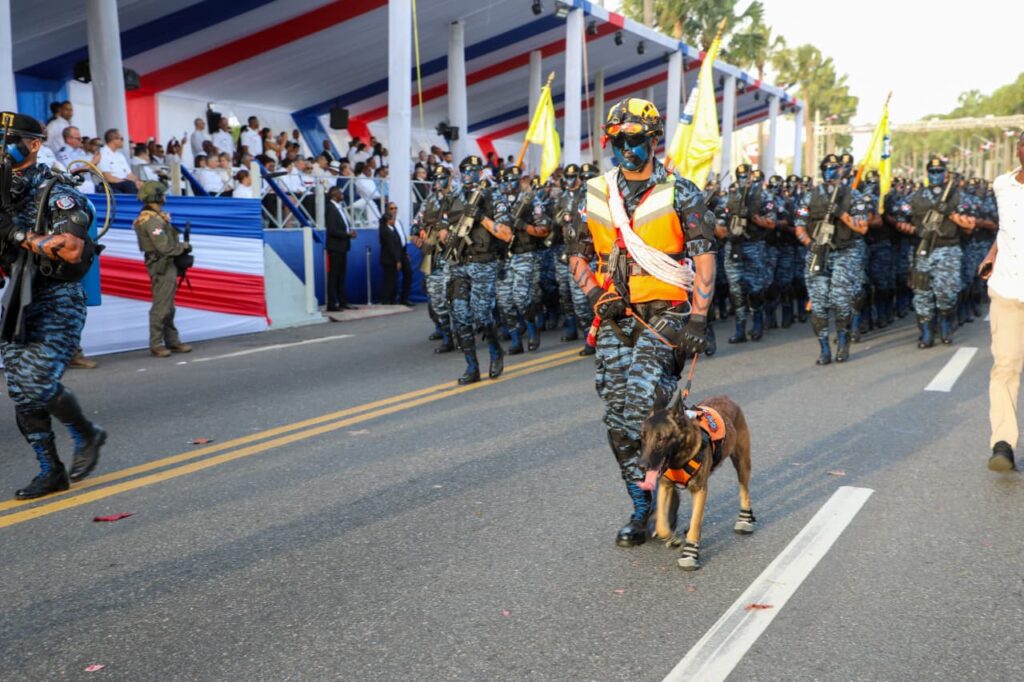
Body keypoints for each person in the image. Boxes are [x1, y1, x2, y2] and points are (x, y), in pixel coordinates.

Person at [569, 98, 717, 547]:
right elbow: (576, 255)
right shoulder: (594, 192)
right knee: (618, 422)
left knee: (640, 407)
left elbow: (704, 256)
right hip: (615, 314)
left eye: (636, 140)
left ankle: (668, 486)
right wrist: (597, 296)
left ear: (653, 141)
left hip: (667, 315)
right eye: (618, 141)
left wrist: (698, 317)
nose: (627, 150)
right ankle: (642, 503)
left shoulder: (681, 191)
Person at [0, 111, 106, 499]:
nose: (2, 147)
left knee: (36, 379)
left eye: (7, 138)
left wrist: (14, 233)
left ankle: (87, 434)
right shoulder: (3, 193)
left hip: (57, 296)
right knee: (20, 389)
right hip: (17, 298)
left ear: (34, 144)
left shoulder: (55, 189)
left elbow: (73, 250)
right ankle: (50, 470)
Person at [794, 154, 870, 364]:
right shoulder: (809, 197)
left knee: (841, 300)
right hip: (818, 252)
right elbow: (799, 226)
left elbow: (862, 227)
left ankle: (843, 342)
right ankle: (824, 348)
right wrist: (810, 244)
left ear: (841, 171)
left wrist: (840, 214)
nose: (830, 172)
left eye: (834, 168)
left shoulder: (853, 196)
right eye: (826, 168)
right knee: (818, 303)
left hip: (845, 252)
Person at [898, 157, 974, 347]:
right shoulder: (917, 196)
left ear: (945, 173)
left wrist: (948, 211)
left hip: (948, 249)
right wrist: (916, 231)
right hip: (923, 250)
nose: (935, 175)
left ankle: (946, 323)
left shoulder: (956, 196)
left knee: (946, 293)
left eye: (939, 171)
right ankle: (926, 333)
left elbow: (970, 225)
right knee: (922, 293)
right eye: (932, 172)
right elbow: (899, 219)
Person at [447, 155, 510, 384]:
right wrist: (450, 238)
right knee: (460, 315)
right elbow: (443, 227)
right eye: (464, 169)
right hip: (459, 262)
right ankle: (472, 367)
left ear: (481, 172)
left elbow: (506, 233)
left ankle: (495, 351)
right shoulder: (453, 197)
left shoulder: (494, 197)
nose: (467, 174)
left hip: (483, 262)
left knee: (482, 315)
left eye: (473, 169)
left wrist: (480, 216)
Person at [982, 132, 1023, 471]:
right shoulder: (1002, 185)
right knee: (1005, 367)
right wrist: (992, 254)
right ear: (1019, 150)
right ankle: (1003, 444)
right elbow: (1006, 229)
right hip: (1008, 291)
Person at [716, 164, 777, 344]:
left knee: (755, 288)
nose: (744, 179)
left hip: (754, 246)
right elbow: (719, 229)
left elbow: (771, 223)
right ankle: (740, 329)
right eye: (740, 176)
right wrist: (731, 231)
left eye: (746, 176)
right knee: (736, 291)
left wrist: (752, 217)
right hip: (733, 247)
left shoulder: (764, 196)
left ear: (751, 176)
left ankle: (757, 323)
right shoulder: (728, 198)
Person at [131, 182, 193, 357]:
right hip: (162, 264)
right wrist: (184, 247)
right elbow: (165, 247)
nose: (165, 197)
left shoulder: (155, 217)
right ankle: (157, 343)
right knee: (162, 305)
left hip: (165, 263)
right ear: (155, 197)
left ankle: (172, 341)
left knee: (168, 306)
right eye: (162, 194)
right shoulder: (151, 221)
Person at [412, 165, 457, 353]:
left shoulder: (457, 196)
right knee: (437, 300)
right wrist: (416, 233)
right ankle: (447, 336)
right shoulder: (429, 200)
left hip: (452, 255)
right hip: (433, 255)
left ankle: (463, 333)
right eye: (435, 178)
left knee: (455, 299)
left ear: (449, 178)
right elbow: (417, 221)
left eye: (442, 178)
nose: (438, 182)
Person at [555, 163, 598, 354]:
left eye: (575, 176)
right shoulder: (562, 197)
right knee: (578, 300)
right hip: (573, 250)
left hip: (594, 251)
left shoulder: (589, 194)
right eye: (568, 177)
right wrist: (561, 217)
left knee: (598, 296)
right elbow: (554, 220)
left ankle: (597, 338)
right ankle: (589, 333)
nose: (572, 180)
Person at [325, 186, 357, 311]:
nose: (342, 194)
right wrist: (347, 234)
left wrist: (349, 232)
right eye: (340, 192)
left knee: (341, 276)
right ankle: (332, 304)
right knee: (334, 276)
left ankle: (342, 301)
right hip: (335, 247)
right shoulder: (331, 208)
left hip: (342, 246)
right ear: (334, 194)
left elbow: (342, 227)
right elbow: (332, 230)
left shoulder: (339, 208)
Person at [378, 202, 412, 305]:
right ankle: (390, 299)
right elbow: (391, 243)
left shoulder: (398, 222)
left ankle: (404, 299)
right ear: (387, 210)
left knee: (408, 273)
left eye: (395, 208)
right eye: (391, 208)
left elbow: (401, 238)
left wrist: (405, 252)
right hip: (393, 255)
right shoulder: (384, 225)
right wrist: (397, 259)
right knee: (391, 278)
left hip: (401, 252)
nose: (394, 210)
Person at [97, 128, 141, 193]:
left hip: (125, 183)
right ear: (114, 140)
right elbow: (108, 178)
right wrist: (128, 181)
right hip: (111, 184)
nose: (123, 141)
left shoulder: (120, 155)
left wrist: (137, 181)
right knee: (130, 185)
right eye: (121, 138)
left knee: (146, 184)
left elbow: (129, 174)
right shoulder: (102, 154)